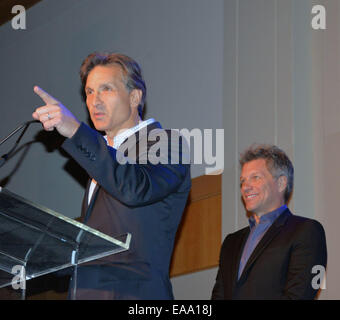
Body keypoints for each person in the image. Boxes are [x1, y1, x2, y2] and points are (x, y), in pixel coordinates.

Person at [32, 52, 191, 299]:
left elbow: (135, 188)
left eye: (106, 89)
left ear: (134, 96)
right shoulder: (101, 160)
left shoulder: (167, 144)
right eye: (89, 92)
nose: (94, 101)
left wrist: (75, 130)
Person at [211, 144, 327, 300]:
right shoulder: (231, 242)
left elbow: (300, 295)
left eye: (255, 177)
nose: (245, 187)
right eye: (243, 181)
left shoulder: (306, 231)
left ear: (281, 183)